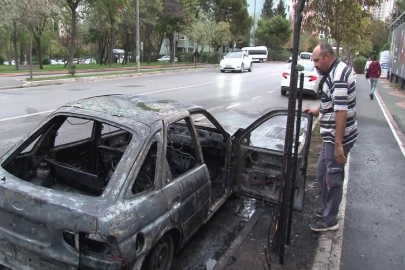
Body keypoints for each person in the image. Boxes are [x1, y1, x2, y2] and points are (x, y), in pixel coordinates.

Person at [303, 42, 358, 232]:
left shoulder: (339, 76)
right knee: (321, 172)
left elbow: (341, 111)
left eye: (317, 60)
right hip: (330, 136)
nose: (315, 64)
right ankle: (328, 209)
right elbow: (331, 102)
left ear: (328, 57)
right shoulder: (329, 74)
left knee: (332, 176)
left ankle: (330, 219)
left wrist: (338, 145)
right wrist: (317, 111)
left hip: (338, 136)